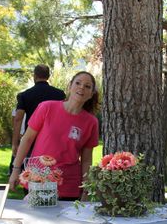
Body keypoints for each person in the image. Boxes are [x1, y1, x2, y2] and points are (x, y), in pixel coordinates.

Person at [8, 71, 99, 200]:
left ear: (91, 94)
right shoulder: (47, 107)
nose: (81, 88)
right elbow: (27, 139)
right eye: (78, 83)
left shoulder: (91, 122)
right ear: (70, 86)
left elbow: (86, 160)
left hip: (69, 186)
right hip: (37, 180)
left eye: (87, 86)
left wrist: (86, 189)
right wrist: (16, 169)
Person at [10, 65, 66, 173]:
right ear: (48, 76)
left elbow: (18, 118)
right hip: (54, 139)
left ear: (34, 76)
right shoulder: (59, 94)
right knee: (54, 172)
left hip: (31, 137)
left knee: (30, 171)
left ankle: (29, 189)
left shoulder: (25, 95)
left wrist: (15, 143)